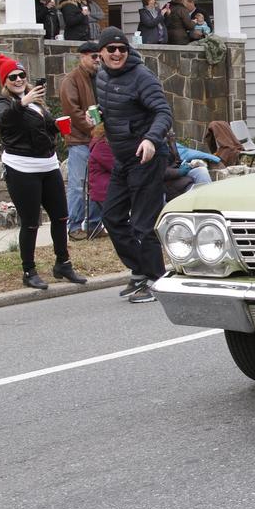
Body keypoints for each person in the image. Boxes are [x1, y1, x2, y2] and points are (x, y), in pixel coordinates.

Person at [0, 53, 87, 289]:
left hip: (48, 164)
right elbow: (4, 120)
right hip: (21, 168)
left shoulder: (34, 102)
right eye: (12, 76)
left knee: (60, 216)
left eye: (21, 75)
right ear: (5, 81)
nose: (18, 80)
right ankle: (29, 271)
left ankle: (63, 263)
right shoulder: (4, 104)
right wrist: (23, 102)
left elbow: (45, 128)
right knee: (31, 222)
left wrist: (59, 124)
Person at [95, 27, 173, 303]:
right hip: (123, 158)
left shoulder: (142, 77)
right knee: (112, 217)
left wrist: (151, 139)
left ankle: (155, 279)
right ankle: (139, 271)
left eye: (122, 49)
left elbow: (163, 112)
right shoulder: (102, 76)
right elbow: (113, 108)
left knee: (142, 222)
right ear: (101, 53)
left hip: (147, 157)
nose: (117, 54)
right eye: (111, 49)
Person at [60, 41, 102, 240]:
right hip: (79, 141)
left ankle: (94, 225)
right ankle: (73, 226)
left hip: (96, 140)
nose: (97, 60)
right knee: (78, 184)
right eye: (94, 56)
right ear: (82, 57)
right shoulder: (71, 80)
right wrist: (94, 130)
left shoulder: (99, 78)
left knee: (96, 183)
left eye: (99, 56)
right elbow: (72, 113)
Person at [88, 123, 113, 229]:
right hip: (105, 190)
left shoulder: (101, 144)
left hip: (108, 187)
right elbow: (115, 166)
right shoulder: (101, 146)